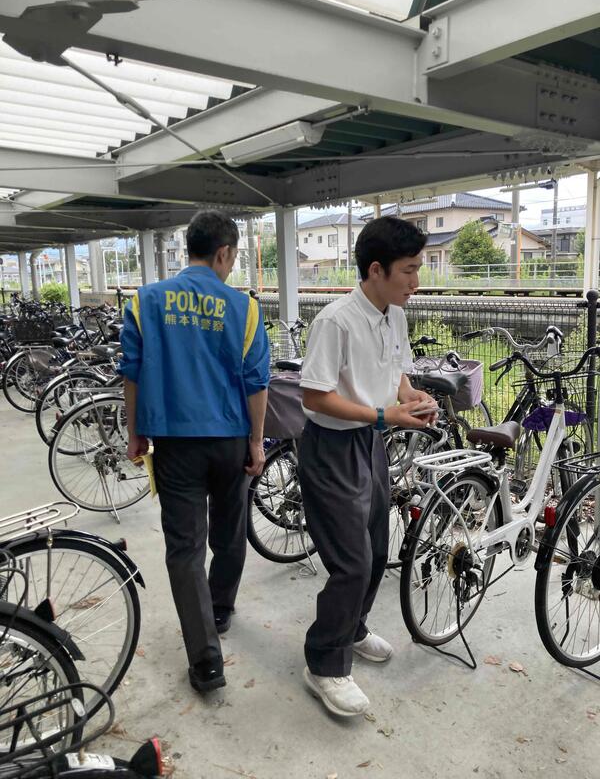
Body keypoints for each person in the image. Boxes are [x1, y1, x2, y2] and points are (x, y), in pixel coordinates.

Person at [119, 211, 270, 693]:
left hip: (174, 445)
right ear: (224, 253)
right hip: (230, 442)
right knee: (229, 532)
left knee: (184, 549)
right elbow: (257, 383)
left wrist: (135, 433)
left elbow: (132, 372)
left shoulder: (145, 302)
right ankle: (220, 609)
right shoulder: (245, 309)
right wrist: (256, 442)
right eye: (233, 257)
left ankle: (206, 663)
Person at [298, 216, 436, 717]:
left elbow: (395, 371)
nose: (416, 281)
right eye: (409, 270)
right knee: (351, 561)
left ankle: (352, 627)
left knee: (377, 548)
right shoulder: (335, 321)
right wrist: (384, 414)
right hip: (331, 448)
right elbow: (314, 396)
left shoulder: (394, 316)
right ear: (376, 270)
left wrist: (411, 396)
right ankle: (323, 663)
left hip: (370, 443)